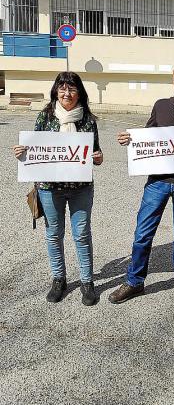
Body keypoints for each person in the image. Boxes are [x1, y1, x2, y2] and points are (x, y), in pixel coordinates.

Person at [109, 63, 174, 311]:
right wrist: (130, 140)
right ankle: (135, 281)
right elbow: (148, 137)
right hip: (156, 182)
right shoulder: (160, 106)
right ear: (173, 81)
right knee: (143, 234)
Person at [13, 72, 103, 306]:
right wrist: (23, 153)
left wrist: (98, 157)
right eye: (62, 88)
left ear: (79, 93)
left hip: (80, 187)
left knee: (82, 235)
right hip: (49, 188)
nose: (67, 93)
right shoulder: (45, 116)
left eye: (72, 89)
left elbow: (96, 152)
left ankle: (87, 282)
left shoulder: (88, 120)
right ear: (55, 91)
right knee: (54, 235)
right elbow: (35, 148)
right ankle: (59, 279)